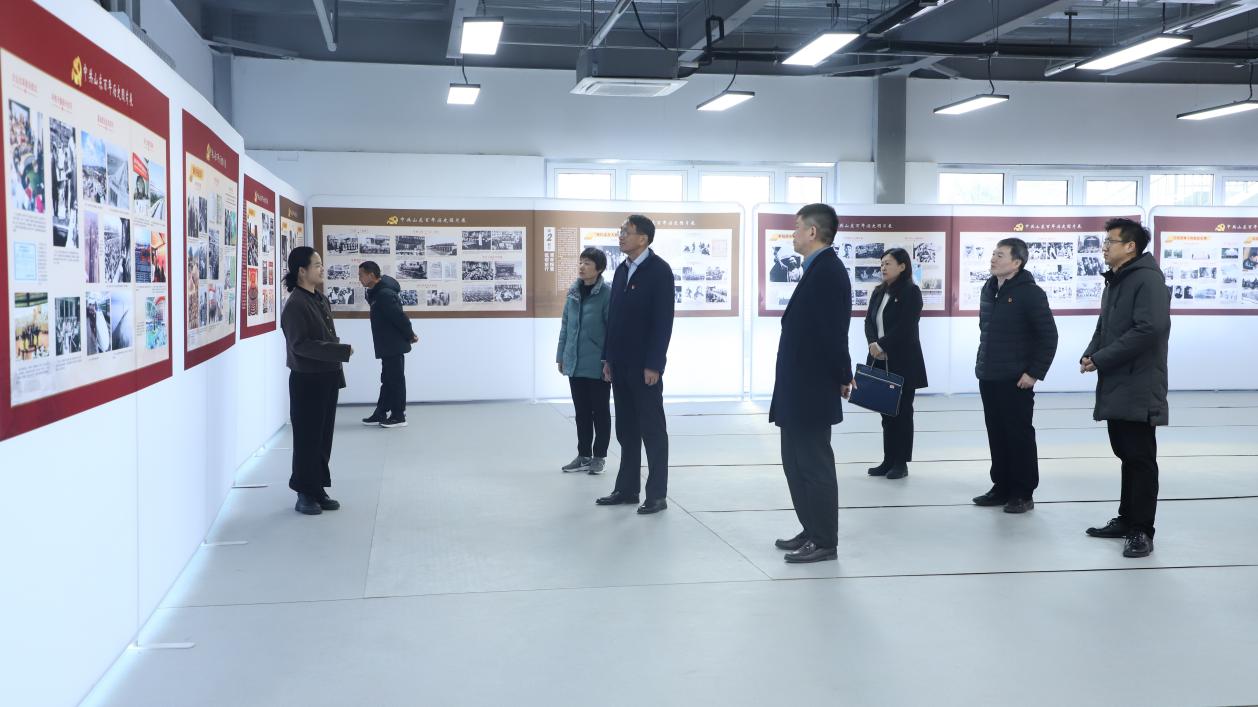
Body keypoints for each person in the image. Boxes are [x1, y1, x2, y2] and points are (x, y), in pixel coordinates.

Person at [1080, 218, 1171, 558]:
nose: (1104, 247)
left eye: (1110, 242)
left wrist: (1102, 358)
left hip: (1139, 382)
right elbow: (1105, 325)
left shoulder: (1147, 279)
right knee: (1126, 454)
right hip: (1118, 379)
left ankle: (1142, 530)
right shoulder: (1117, 279)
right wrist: (1092, 352)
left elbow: (1149, 329)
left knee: (1140, 458)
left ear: (1130, 246)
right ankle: (1126, 518)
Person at [769, 204, 852, 563]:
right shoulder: (815, 269)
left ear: (813, 232)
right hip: (798, 387)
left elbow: (834, 332)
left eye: (797, 227)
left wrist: (843, 374)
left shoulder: (829, 272)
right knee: (794, 462)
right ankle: (810, 527)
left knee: (814, 465)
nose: (793, 234)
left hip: (812, 388)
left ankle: (824, 540)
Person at [596, 215, 675, 515]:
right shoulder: (621, 270)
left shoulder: (659, 271)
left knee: (652, 431)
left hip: (645, 367)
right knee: (626, 430)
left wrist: (654, 364)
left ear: (643, 238)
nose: (620, 236)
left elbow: (663, 323)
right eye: (620, 231)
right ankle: (627, 489)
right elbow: (613, 319)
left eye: (626, 232)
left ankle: (657, 494)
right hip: (620, 365)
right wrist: (608, 358)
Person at [972, 238, 1058, 514]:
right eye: (993, 253)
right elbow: (986, 331)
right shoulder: (989, 288)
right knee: (996, 433)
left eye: (1000, 255)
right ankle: (1001, 486)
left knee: (1018, 435)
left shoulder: (1030, 293)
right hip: (989, 374)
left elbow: (1049, 336)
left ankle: (1022, 492)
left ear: (1017, 262)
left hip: (1016, 378)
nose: (993, 259)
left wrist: (1034, 373)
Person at [281, 246, 353, 515]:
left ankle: (318, 487)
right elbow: (300, 345)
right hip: (307, 380)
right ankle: (304, 492)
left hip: (327, 376)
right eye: (317, 264)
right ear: (302, 271)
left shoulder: (320, 298)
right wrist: (340, 351)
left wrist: (336, 357)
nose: (322, 268)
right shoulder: (295, 304)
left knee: (323, 437)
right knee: (306, 438)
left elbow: (325, 336)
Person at [864, 247, 928, 480]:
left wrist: (882, 345)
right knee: (886, 412)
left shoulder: (911, 292)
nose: (883, 267)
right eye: (882, 264)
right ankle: (888, 460)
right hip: (879, 360)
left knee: (902, 413)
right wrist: (873, 344)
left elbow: (906, 327)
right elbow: (869, 321)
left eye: (888, 263)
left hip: (903, 361)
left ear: (902, 266)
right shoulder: (879, 292)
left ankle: (901, 463)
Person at [557, 248, 612, 475]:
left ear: (599, 268)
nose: (582, 267)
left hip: (598, 364)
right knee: (581, 413)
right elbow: (565, 326)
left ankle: (599, 456)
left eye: (587, 263)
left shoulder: (607, 294)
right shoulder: (573, 292)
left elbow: (612, 330)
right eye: (581, 262)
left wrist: (609, 360)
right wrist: (561, 355)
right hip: (575, 362)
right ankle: (583, 455)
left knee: (600, 412)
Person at [358, 261, 417, 428]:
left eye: (361, 275)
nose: (359, 279)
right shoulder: (376, 293)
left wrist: (410, 335)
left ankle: (399, 415)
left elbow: (399, 317)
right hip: (386, 344)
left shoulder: (384, 294)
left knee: (396, 380)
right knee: (387, 380)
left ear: (371, 275)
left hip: (393, 344)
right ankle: (381, 412)